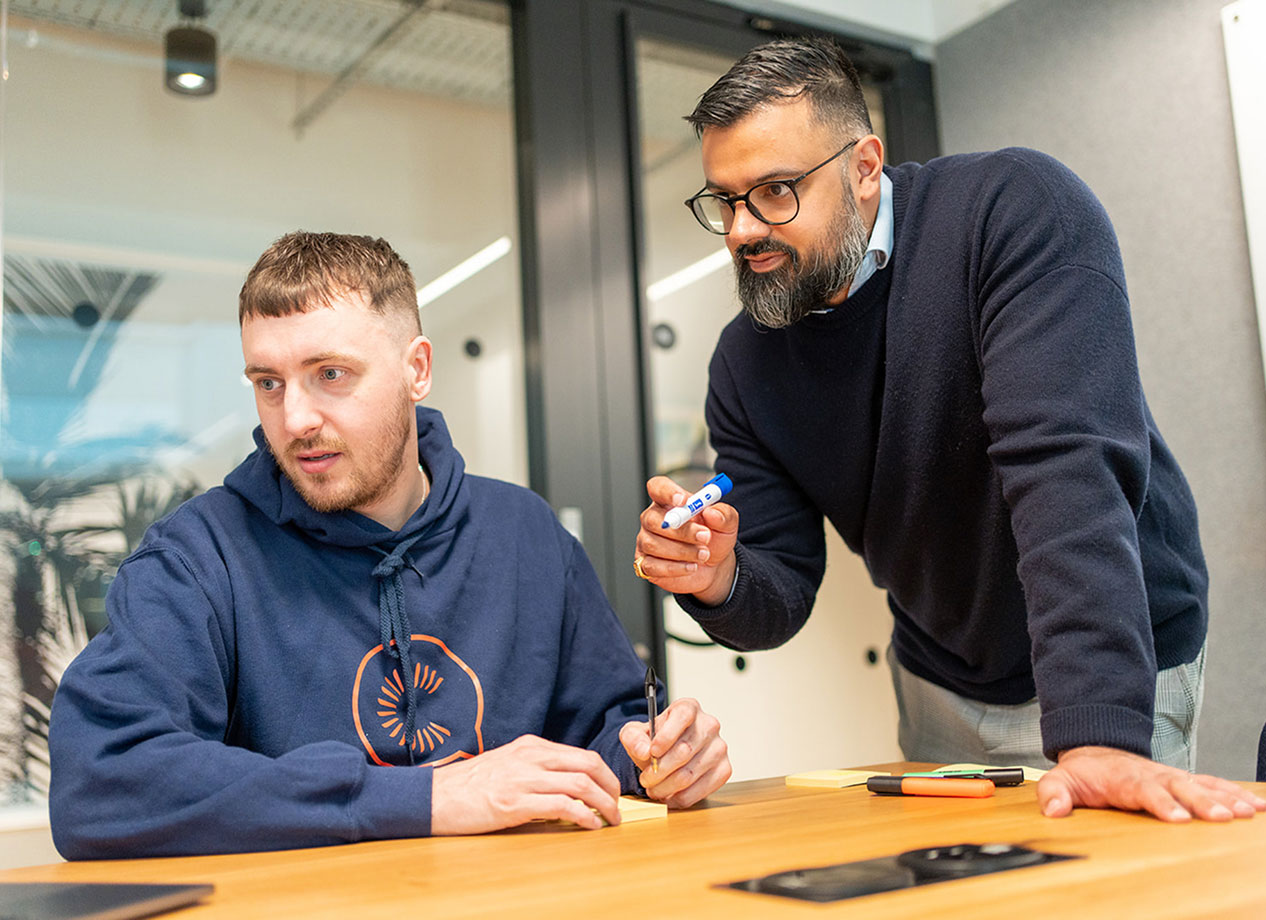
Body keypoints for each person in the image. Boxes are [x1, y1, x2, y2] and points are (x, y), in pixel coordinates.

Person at [633, 37, 1264, 824]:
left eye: (774, 192)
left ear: (865, 168)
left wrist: (1097, 732)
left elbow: (1063, 473)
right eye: (725, 200)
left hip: (1111, 653)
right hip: (941, 675)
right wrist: (718, 575)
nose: (740, 230)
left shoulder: (1011, 211)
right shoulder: (744, 363)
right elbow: (783, 585)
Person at [49, 231, 731, 859]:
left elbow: (608, 725)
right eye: (268, 383)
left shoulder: (525, 533)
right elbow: (102, 782)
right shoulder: (197, 558)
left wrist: (656, 756)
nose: (295, 418)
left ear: (417, 370)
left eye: (330, 374)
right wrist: (430, 798)